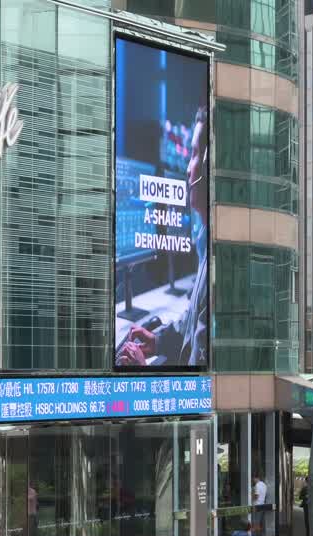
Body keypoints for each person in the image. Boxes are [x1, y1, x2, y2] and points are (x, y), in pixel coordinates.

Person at [117, 106, 210, 367]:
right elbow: (193, 320)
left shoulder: (222, 260)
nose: (188, 170)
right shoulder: (207, 244)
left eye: (193, 154)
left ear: (208, 166)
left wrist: (143, 372)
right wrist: (158, 341)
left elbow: (198, 376)